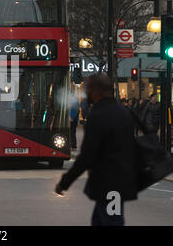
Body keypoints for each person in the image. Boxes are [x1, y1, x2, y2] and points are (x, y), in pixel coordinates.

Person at [55, 74, 137, 226]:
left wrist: (65, 182)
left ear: (96, 90)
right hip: (121, 178)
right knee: (100, 220)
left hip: (109, 183)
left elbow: (87, 156)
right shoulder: (124, 112)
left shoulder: (98, 116)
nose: (86, 92)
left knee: (112, 221)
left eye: (88, 88)